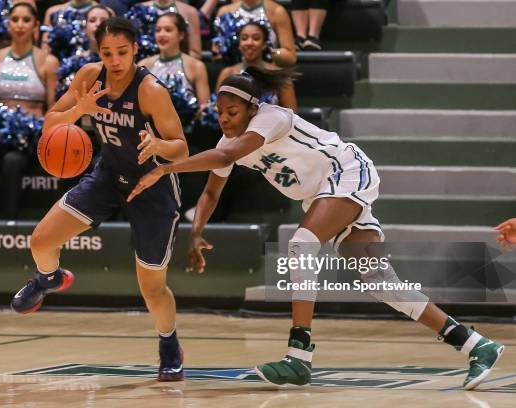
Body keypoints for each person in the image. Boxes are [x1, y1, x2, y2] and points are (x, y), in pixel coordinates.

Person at [127, 67, 506, 391]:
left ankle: (299, 353)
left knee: (301, 243)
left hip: (346, 171)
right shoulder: (228, 139)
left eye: (232, 111)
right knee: (377, 280)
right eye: (220, 112)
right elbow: (212, 190)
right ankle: (475, 344)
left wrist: (165, 167)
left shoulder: (271, 118)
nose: (224, 119)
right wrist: (196, 232)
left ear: (252, 107)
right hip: (324, 195)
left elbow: (226, 157)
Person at [9, 17, 189, 382]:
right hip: (108, 175)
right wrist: (80, 111)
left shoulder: (150, 90)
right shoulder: (90, 76)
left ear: (136, 49)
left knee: (151, 287)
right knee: (41, 240)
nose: (115, 59)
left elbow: (183, 150)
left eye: (122, 52)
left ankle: (169, 344)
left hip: (151, 185)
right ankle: (49, 278)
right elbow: (50, 124)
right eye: (107, 52)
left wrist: (158, 146)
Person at [0, 3, 59, 218]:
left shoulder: (48, 62)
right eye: (15, 20)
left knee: (12, 161)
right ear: (8, 24)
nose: (20, 25)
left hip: (30, 137)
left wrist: (34, 126)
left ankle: (8, 226)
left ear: (36, 25)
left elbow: (54, 108)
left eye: (26, 20)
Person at [139, 12, 210, 131]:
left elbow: (204, 108)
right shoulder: (143, 65)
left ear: (181, 35)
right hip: (150, 133)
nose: (161, 34)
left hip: (187, 133)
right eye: (158, 30)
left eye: (168, 30)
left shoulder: (196, 66)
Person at [216, 21, 295, 110]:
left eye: (256, 38)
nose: (249, 43)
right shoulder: (227, 73)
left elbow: (291, 116)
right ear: (239, 43)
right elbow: (219, 110)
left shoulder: (279, 74)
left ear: (264, 44)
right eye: (244, 38)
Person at [215, 0, 295, 67]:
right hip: (235, 73)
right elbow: (216, 53)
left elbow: (290, 57)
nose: (249, 43)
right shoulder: (225, 12)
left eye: (256, 38)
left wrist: (268, 51)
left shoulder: (277, 11)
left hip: (266, 73)